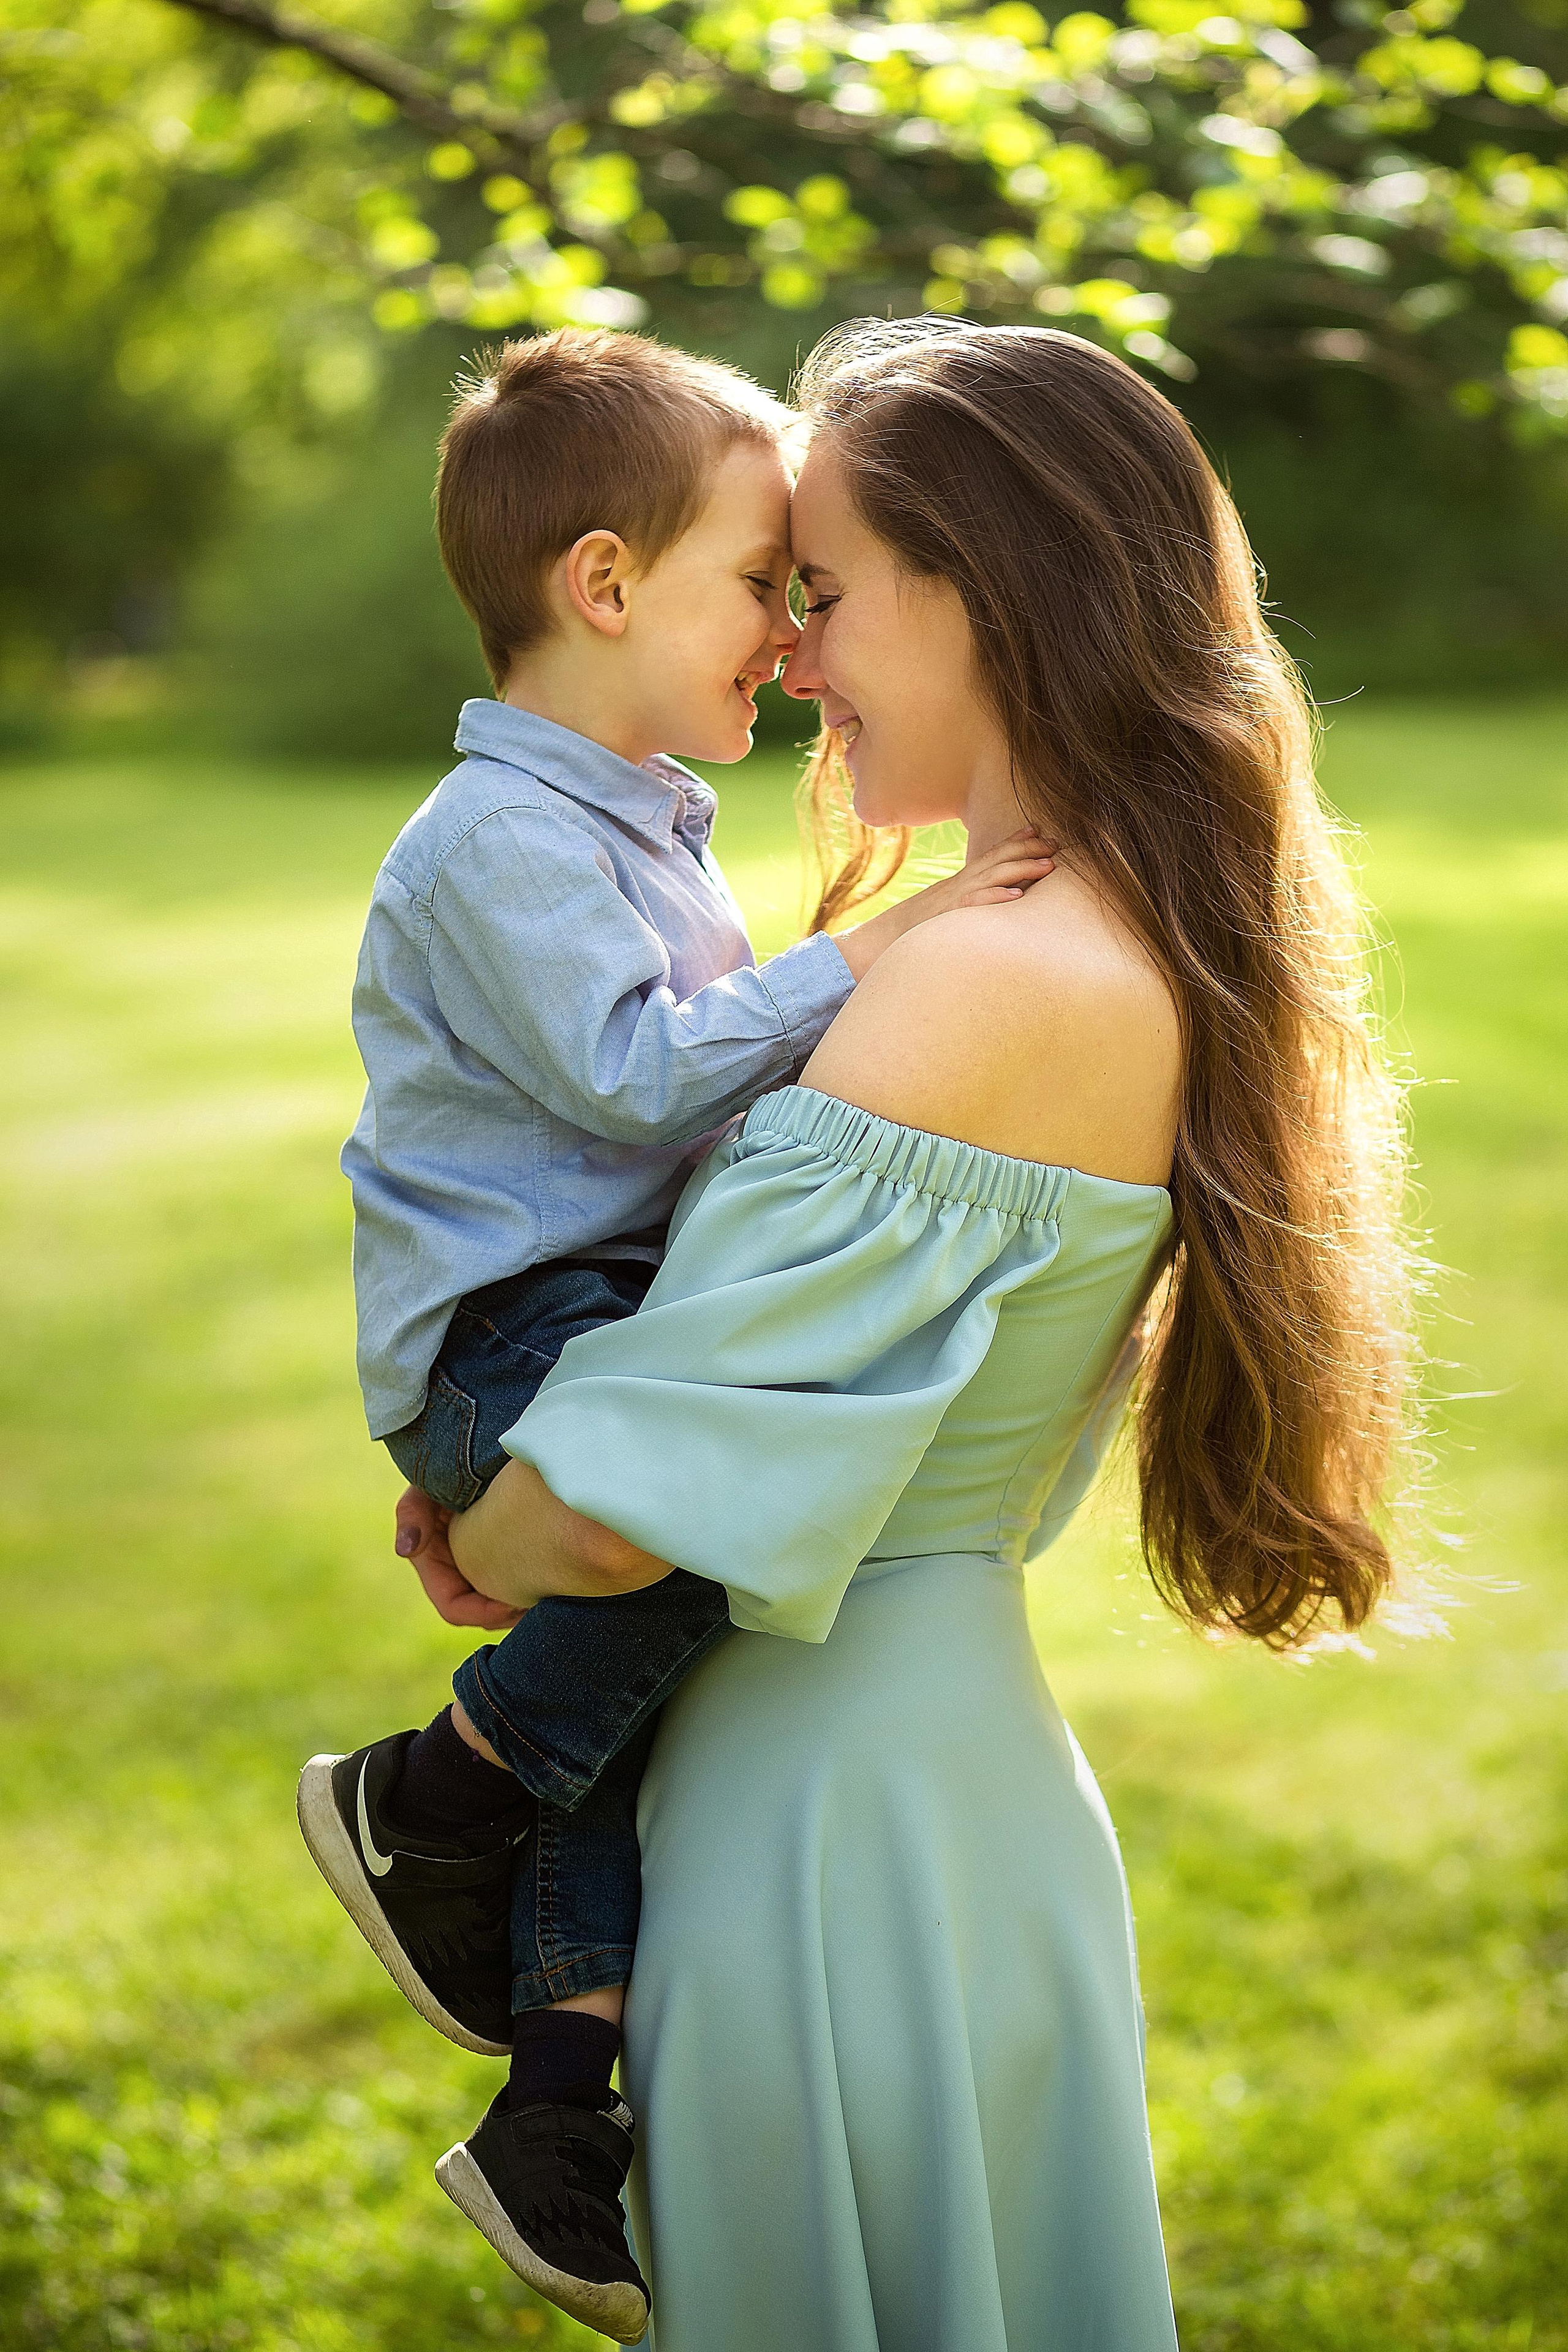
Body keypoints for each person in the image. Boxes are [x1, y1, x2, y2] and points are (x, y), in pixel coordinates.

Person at [422, 316, 1417, 2350]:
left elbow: (601, 1526)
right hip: (927, 1796)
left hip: (830, 1830)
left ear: (993, 596)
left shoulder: (988, 984)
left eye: (829, 593)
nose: (789, 656)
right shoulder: (1111, 928)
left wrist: (484, 1525)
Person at [297, 326, 1054, 2342]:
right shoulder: (500, 838)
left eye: (812, 596)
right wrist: (883, 947)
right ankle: (433, 1793)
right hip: (513, 1330)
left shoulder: (641, 817)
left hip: (598, 1309)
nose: (788, 639)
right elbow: (639, 1084)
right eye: (760, 585)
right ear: (607, 584)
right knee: (709, 1525)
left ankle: (556, 2111)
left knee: (618, 1752)